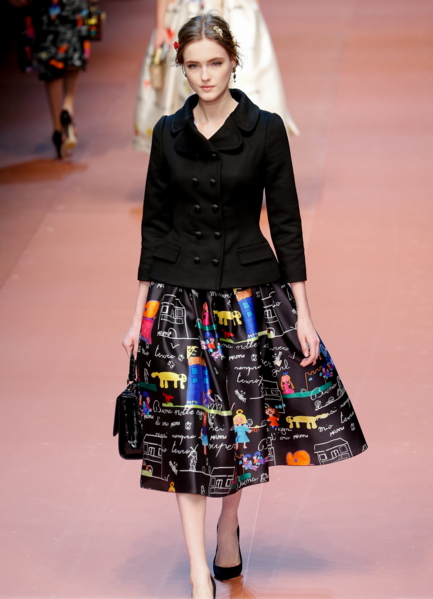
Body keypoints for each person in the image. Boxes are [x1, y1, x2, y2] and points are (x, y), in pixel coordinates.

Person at [123, 13, 367, 599]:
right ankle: (196, 572)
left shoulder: (265, 130)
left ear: (234, 62)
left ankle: (227, 525)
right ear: (182, 70)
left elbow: (286, 223)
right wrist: (138, 314)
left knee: (238, 428)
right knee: (186, 429)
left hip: (247, 301)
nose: (205, 75)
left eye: (215, 63)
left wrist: (304, 312)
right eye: (193, 66)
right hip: (178, 300)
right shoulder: (167, 133)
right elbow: (154, 229)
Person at [133, 0, 300, 154]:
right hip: (193, 10)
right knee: (189, 88)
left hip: (238, 12)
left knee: (248, 89)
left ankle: (251, 150)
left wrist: (255, 10)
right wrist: (160, 26)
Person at [8, 0, 91, 158]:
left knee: (51, 63)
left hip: (45, 7)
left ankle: (58, 130)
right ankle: (67, 108)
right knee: (73, 56)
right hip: (72, 5)